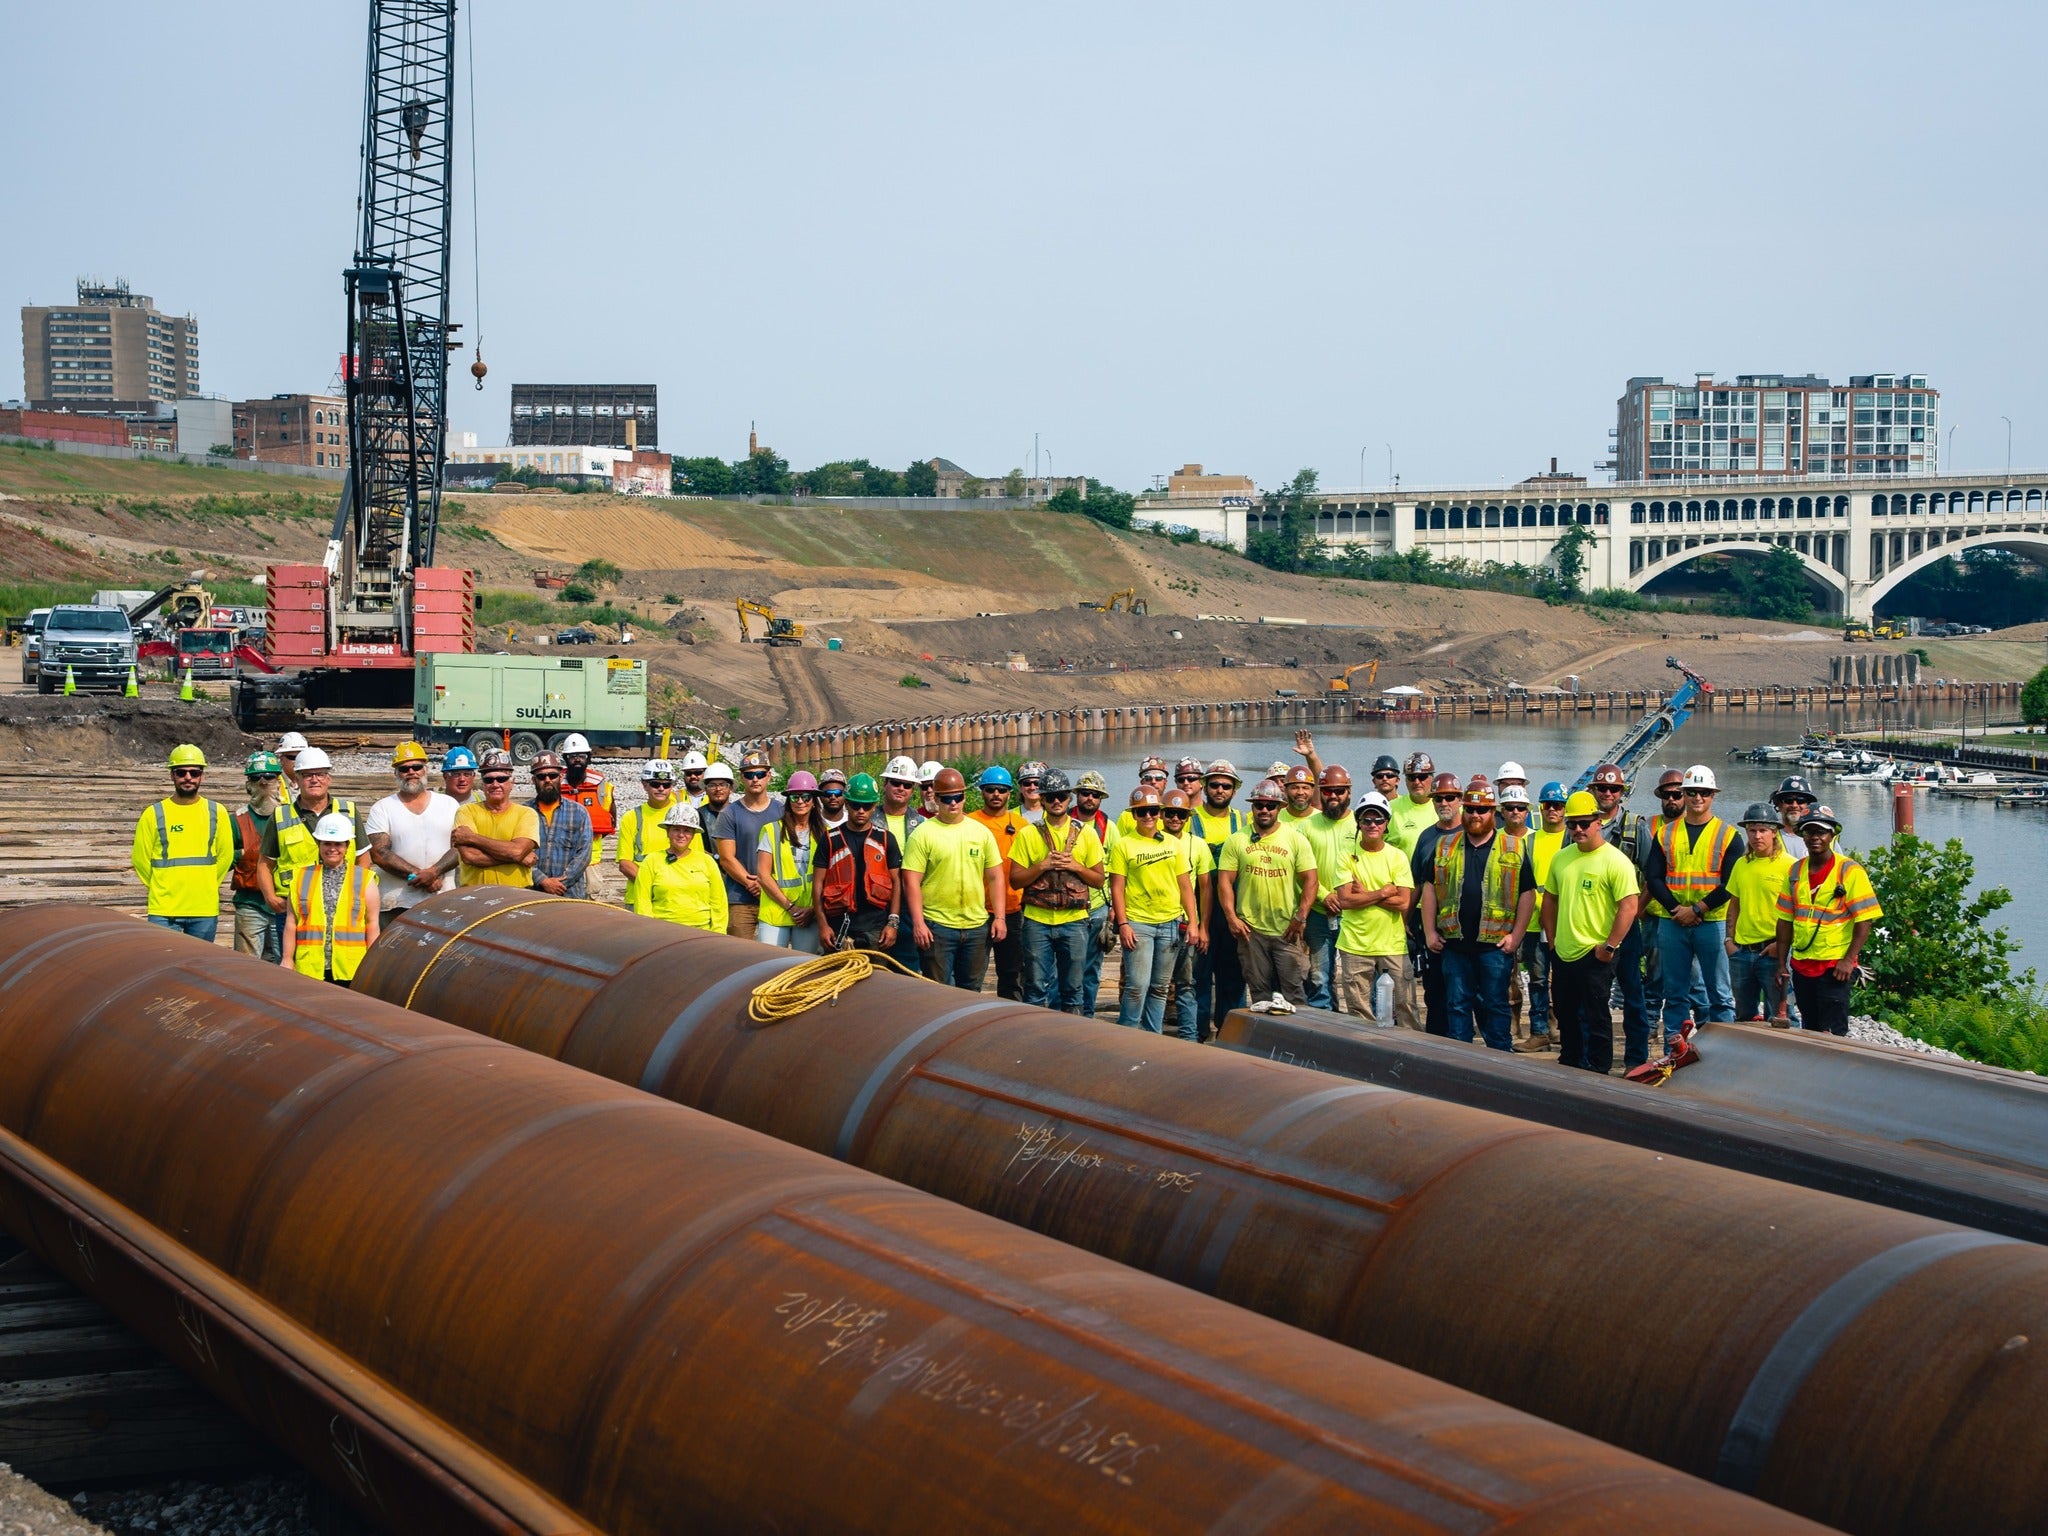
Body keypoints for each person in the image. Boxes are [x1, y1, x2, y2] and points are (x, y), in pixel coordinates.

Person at [1421, 778, 1535, 1052]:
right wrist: (1429, 932)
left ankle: (1500, 1063)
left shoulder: (1513, 846)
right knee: (1457, 1007)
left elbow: (1527, 894)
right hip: (1454, 945)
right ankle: (1461, 1065)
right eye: (1470, 809)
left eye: (1482, 810)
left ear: (1493, 812)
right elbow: (1429, 889)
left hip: (1494, 947)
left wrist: (1516, 936)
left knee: (1495, 1007)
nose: (1475, 815)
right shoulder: (1444, 845)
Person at [1544, 790, 1642, 1074]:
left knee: (1596, 1017)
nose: (1578, 829)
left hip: (1596, 953)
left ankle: (1599, 1071)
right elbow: (1550, 899)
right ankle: (1569, 1064)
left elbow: (1629, 906)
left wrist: (1609, 946)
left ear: (1598, 822)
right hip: (1564, 951)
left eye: (1584, 823)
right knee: (1565, 1013)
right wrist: (1552, 940)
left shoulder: (1615, 861)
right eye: (1572, 824)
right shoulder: (1561, 858)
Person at [1645, 764, 1742, 1048]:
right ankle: (1673, 1052)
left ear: (1713, 795)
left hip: (1712, 923)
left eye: (1704, 792)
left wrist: (1697, 909)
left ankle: (1722, 1053)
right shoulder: (1665, 834)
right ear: (1684, 794)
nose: (1698, 798)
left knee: (1720, 995)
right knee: (1674, 994)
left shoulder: (1728, 835)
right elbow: (1654, 877)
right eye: (1692, 792)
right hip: (1673, 922)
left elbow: (1730, 883)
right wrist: (1677, 909)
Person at [1774, 806, 1881, 1037]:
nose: (1815, 837)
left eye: (1821, 832)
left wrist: (1848, 960)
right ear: (1802, 835)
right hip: (1802, 964)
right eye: (1809, 832)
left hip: (1834, 967)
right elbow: (1785, 920)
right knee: (1810, 1028)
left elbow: (1865, 920)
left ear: (1832, 835)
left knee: (1832, 1032)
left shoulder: (1849, 871)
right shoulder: (1795, 872)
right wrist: (1781, 964)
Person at [1010, 769, 1106, 1014]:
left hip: (1074, 921)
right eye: (1050, 796)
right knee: (1034, 988)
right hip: (1037, 921)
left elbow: (1098, 880)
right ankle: (1036, 1034)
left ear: (1069, 798)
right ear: (1041, 799)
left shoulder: (1087, 834)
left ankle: (1072, 1034)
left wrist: (1076, 867)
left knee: (1073, 990)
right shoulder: (1028, 834)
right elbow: (1015, 880)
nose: (1056, 801)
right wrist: (1042, 866)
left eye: (1061, 796)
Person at [1107, 786, 1201, 1033]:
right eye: (1142, 812)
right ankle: (1126, 1037)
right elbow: (1117, 887)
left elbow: (1185, 886)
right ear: (1134, 815)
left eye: (1152, 811)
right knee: (1136, 986)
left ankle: (1152, 1037)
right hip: (1139, 923)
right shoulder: (1124, 845)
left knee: (1160, 988)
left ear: (1159, 813)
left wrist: (1193, 922)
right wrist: (1123, 924)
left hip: (1170, 922)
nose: (1148, 816)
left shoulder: (1173, 844)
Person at [1216, 777, 1317, 1005]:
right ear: (1252, 807)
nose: (1264, 810)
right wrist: (1232, 918)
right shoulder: (1237, 840)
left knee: (1294, 992)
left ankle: (1296, 1029)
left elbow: (1311, 880)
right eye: (1259, 805)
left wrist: (1301, 917)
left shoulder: (1295, 839)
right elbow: (1225, 882)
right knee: (1259, 992)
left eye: (1270, 806)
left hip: (1286, 928)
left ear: (1279, 808)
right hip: (1251, 931)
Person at [903, 767, 1004, 989]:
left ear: (964, 796)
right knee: (937, 991)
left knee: (972, 991)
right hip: (937, 927)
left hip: (977, 926)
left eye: (958, 797)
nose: (953, 803)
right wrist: (918, 923)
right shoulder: (922, 834)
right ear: (936, 799)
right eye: (947, 799)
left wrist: (999, 917)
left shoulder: (981, 832)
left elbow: (996, 877)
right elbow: (911, 881)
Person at [1587, 762, 1657, 1068]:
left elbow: (1653, 875)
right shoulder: (1580, 824)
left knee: (1632, 994)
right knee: (1592, 995)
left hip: (1626, 929)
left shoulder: (1635, 826)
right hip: (1589, 926)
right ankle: (1594, 1058)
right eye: (1602, 788)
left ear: (1621, 792)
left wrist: (1636, 911)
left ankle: (1636, 1060)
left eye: (1613, 789)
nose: (1607, 793)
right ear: (1593, 790)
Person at [132, 744, 236, 943]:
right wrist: (161, 888)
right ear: (172, 775)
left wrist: (206, 884)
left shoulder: (217, 812)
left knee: (201, 960)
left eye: (194, 772)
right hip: (164, 909)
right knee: (164, 959)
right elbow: (140, 859)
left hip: (203, 908)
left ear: (201, 776)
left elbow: (226, 856)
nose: (188, 777)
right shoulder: (153, 814)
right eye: (181, 772)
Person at [1330, 792, 1415, 1027]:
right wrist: (1383, 892)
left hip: (1392, 945)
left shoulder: (1397, 857)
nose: (1372, 825)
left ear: (1386, 823)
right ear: (1358, 822)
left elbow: (1403, 902)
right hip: (1355, 945)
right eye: (1366, 820)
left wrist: (1365, 893)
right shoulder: (1346, 856)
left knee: (1406, 1007)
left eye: (1378, 820)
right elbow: (1345, 901)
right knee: (1359, 1014)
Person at [260, 747, 366, 917]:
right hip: (294, 907)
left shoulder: (349, 812)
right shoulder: (280, 816)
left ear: (328, 778)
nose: (314, 780)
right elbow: (265, 864)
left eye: (320, 774)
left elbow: (363, 858)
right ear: (297, 779)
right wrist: (270, 897)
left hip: (342, 904)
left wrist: (355, 892)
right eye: (307, 775)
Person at [279, 812, 380, 984]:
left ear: (347, 846)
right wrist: (287, 959)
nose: (332, 849)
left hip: (351, 968)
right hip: (309, 967)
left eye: (338, 844)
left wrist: (372, 965)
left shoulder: (364, 879)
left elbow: (372, 924)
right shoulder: (301, 877)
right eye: (327, 843)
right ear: (318, 844)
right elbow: (291, 922)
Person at [1405, 770, 1467, 1035]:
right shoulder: (1426, 837)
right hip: (1432, 925)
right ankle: (1437, 1043)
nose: (1444, 803)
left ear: (1460, 799)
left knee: (1468, 993)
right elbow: (1417, 883)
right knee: (1435, 991)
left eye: (1450, 797)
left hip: (1467, 927)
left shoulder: (1472, 832)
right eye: (1438, 798)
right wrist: (1406, 920)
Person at [365, 741, 459, 915]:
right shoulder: (382, 808)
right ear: (396, 773)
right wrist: (421, 876)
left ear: (425, 770)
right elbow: (378, 853)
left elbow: (460, 847)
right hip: (396, 904)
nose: (411, 772)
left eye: (416, 767)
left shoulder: (449, 804)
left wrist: (434, 871)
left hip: (443, 899)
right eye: (404, 769)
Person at [817, 773, 902, 954]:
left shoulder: (886, 839)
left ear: (874, 806)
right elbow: (818, 884)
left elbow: (897, 882)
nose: (861, 811)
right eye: (856, 805)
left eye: (867, 806)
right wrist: (823, 925)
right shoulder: (829, 839)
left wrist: (893, 923)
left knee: (877, 972)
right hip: (838, 929)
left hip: (876, 929)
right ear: (847, 804)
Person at [1727, 802, 1795, 1025]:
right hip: (1741, 952)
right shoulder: (1741, 864)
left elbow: (1799, 910)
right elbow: (1734, 905)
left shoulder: (1790, 866)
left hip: (1773, 951)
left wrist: (1781, 945)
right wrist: (1729, 940)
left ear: (1774, 832)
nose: (1757, 836)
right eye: (1752, 830)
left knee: (1781, 1015)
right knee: (1743, 1016)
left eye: (1763, 830)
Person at [1190, 759, 1245, 1034]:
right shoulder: (1189, 819)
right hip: (1199, 907)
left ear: (1234, 790)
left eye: (1226, 786)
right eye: (1214, 785)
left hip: (1232, 910)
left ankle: (1231, 1032)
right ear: (1204, 786)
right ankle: (1198, 1032)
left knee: (1234, 975)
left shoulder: (1243, 820)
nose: (1220, 790)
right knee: (1198, 975)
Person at [1298, 765, 1358, 1011]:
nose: (1333, 796)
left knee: (1356, 977)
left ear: (1349, 792)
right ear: (1319, 793)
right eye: (1327, 791)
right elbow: (1300, 870)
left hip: (1354, 915)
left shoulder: (1361, 823)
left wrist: (1348, 896)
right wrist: (1324, 895)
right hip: (1318, 913)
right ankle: (1321, 1023)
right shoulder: (1307, 826)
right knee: (1319, 976)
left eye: (1339, 791)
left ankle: (1358, 1026)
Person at [1517, 781, 1570, 1052]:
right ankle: (1539, 1031)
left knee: (1564, 979)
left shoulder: (1572, 839)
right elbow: (1523, 882)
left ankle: (1564, 1029)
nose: (1553, 810)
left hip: (1564, 924)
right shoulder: (1530, 840)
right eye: (1548, 805)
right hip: (1533, 923)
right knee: (1537, 979)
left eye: (1558, 805)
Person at [1158, 789, 1215, 1040]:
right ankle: (1150, 1036)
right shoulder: (1151, 840)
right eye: (1170, 813)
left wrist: (1203, 926)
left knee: (1187, 984)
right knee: (1156, 985)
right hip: (1157, 921)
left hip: (1185, 924)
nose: (1175, 819)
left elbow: (1205, 888)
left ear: (1187, 817)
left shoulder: (1198, 844)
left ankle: (1189, 1037)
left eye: (1180, 815)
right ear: (1162, 815)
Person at [966, 766, 1027, 999]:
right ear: (982, 791)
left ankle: (1010, 1013)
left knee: (1012, 973)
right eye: (990, 789)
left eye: (1001, 790)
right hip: (975, 910)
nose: (996, 794)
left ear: (1010, 793)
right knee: (971, 975)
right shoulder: (969, 823)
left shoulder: (1021, 826)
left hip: (1012, 908)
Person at [713, 750, 784, 939]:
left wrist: (768, 886)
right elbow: (726, 858)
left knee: (773, 951)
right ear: (741, 778)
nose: (755, 779)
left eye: (760, 774)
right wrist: (751, 883)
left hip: (776, 896)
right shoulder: (729, 814)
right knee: (739, 951)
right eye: (749, 775)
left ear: (769, 776)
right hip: (740, 898)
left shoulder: (782, 811)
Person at [630, 802, 727, 932]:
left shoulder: (707, 861)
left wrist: (718, 933)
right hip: (663, 932)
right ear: (667, 832)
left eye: (687, 830)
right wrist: (650, 932)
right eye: (676, 829)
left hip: (702, 932)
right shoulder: (651, 861)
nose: (681, 835)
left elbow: (719, 902)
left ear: (693, 834)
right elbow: (643, 901)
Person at [756, 770, 825, 952]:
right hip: (776, 914)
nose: (800, 801)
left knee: (805, 965)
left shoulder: (824, 833)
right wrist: (790, 907)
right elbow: (763, 875)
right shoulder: (772, 830)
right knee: (771, 964)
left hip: (808, 915)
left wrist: (813, 909)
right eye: (795, 797)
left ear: (814, 801)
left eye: (806, 797)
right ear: (788, 800)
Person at [450, 750, 540, 886]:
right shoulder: (466, 811)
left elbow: (517, 851)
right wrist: (518, 858)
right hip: (476, 894)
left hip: (516, 894)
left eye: (501, 779)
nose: (495, 784)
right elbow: (470, 856)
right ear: (483, 784)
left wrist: (472, 837)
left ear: (511, 782)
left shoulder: (526, 814)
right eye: (489, 780)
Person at [228, 751, 286, 962]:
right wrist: (243, 854)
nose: (263, 782)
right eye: (256, 777)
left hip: (283, 903)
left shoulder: (289, 817)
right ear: (248, 784)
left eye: (269, 777)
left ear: (278, 781)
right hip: (250, 903)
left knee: (285, 963)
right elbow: (223, 857)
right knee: (246, 964)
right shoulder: (236, 820)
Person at [1497, 783, 1540, 1048]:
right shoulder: (1495, 838)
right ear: (1502, 810)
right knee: (1507, 978)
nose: (1515, 812)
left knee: (1540, 978)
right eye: (1510, 807)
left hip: (1537, 922)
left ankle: (1544, 1029)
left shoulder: (1538, 838)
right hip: (1503, 920)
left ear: (1527, 811)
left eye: (1520, 808)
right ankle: (1512, 1025)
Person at [1072, 770, 1119, 1014]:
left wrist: (1115, 909)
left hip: (1099, 907)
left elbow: (1119, 871)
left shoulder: (1109, 828)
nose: (1089, 798)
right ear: (1076, 795)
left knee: (1091, 967)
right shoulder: (1062, 822)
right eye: (1085, 793)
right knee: (1064, 965)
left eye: (1095, 794)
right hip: (1067, 907)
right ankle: (1061, 1014)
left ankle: (1087, 1013)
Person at [528, 752, 593, 899]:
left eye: (552, 775)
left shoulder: (579, 812)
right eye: (541, 777)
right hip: (532, 895)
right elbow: (519, 853)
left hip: (569, 894)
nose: (547, 780)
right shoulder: (524, 813)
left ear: (561, 776)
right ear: (533, 780)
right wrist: (542, 880)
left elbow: (584, 855)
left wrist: (560, 883)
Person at [615, 759, 681, 902]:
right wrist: (653, 887)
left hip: (676, 900)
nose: (661, 788)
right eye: (655, 784)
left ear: (672, 786)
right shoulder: (631, 818)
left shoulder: (683, 815)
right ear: (645, 785)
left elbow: (695, 858)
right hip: (640, 897)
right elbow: (625, 864)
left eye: (666, 785)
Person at [557, 732, 615, 868]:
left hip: (591, 861)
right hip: (561, 859)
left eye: (582, 756)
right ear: (565, 758)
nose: (577, 760)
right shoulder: (555, 785)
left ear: (588, 758)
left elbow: (612, 821)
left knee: (592, 883)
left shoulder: (601, 787)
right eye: (572, 756)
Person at [1388, 752, 1439, 852]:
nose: (1416, 782)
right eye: (1411, 777)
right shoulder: (1391, 808)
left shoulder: (1445, 805)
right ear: (1405, 780)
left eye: (1422, 777)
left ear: (1432, 778)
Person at [1772, 774, 1816, 859]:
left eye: (1801, 801)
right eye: (1788, 800)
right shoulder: (1767, 838)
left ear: (1809, 806)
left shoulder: (1823, 838)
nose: (1794, 805)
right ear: (1779, 805)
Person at [275, 730, 309, 796]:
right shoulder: (272, 783)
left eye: (302, 757)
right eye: (293, 757)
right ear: (281, 760)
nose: (298, 761)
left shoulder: (311, 782)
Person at [1016, 760, 1049, 826]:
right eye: (1027, 783)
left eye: (1037, 783)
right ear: (1020, 788)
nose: (1032, 787)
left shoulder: (1054, 815)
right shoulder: (1010, 815)